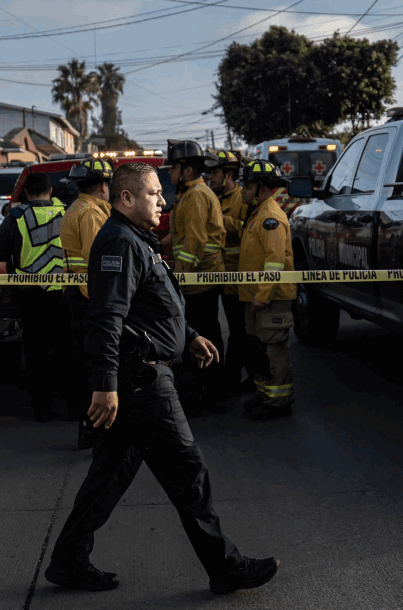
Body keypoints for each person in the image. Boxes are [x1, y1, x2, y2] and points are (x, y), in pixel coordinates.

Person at [44, 162, 279, 595]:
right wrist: (105, 384)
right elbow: (108, 318)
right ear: (126, 198)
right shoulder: (117, 241)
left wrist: (188, 337)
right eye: (154, 193)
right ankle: (225, 567)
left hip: (140, 376)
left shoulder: (136, 239)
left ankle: (67, 559)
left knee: (109, 475)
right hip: (143, 382)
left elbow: (146, 306)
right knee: (189, 472)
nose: (163, 201)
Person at [0, 171, 68, 422]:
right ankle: (68, 400)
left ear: (25, 193)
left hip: (30, 293)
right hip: (63, 292)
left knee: (36, 350)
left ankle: (42, 407)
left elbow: (0, 254)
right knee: (63, 347)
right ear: (51, 192)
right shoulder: (66, 213)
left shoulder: (16, 216)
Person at [165, 139, 227, 415]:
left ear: (186, 169)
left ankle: (209, 394)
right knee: (202, 334)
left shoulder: (196, 196)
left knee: (203, 336)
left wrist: (182, 277)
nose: (169, 173)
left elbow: (196, 241)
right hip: (198, 278)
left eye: (173, 168)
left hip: (200, 280)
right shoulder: (189, 195)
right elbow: (183, 236)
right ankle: (208, 392)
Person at [59, 157, 114, 450]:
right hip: (89, 295)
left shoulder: (78, 208)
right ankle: (93, 430)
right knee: (95, 364)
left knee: (83, 361)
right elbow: (101, 261)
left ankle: (86, 424)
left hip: (79, 293)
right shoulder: (91, 214)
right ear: (103, 185)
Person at [237, 160, 297, 420]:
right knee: (259, 351)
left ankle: (278, 403)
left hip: (271, 299)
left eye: (248, 186)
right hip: (257, 299)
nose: (242, 190)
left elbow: (275, 262)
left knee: (274, 351)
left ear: (262, 189)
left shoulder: (270, 217)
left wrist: (262, 296)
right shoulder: (257, 213)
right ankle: (265, 396)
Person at [210, 150, 252, 394]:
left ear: (228, 174)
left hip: (236, 276)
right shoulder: (212, 198)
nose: (210, 178)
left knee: (239, 330)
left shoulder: (241, 198)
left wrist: (225, 221)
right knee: (218, 328)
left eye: (214, 173)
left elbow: (250, 230)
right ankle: (228, 378)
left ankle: (234, 379)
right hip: (215, 273)